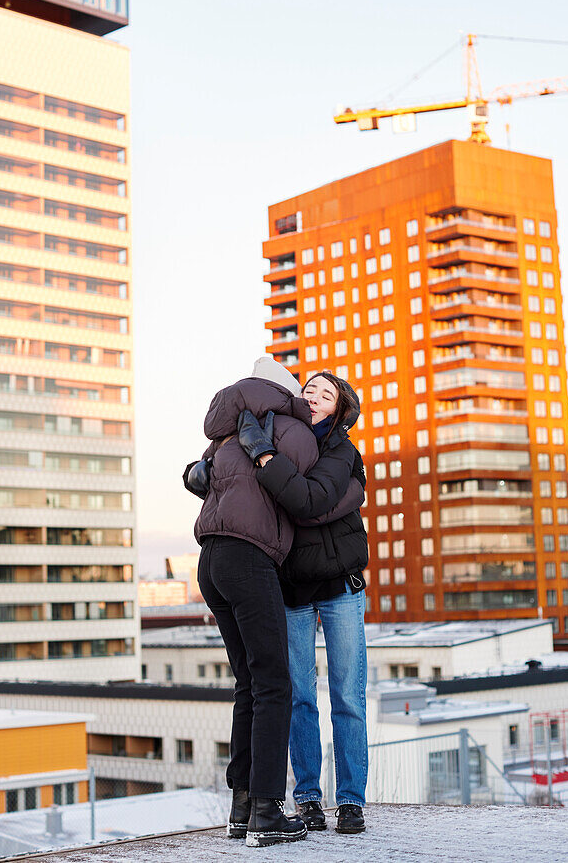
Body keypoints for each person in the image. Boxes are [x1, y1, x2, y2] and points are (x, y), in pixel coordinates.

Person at [183, 356, 317, 847]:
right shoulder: (290, 430)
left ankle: (241, 808)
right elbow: (299, 495)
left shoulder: (222, 434)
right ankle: (267, 813)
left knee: (248, 684)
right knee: (274, 685)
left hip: (210, 562)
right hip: (249, 559)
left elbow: (202, 481)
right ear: (286, 393)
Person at [236, 370, 369, 835]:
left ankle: (351, 802)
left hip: (339, 585)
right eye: (308, 389)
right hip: (291, 584)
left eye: (325, 392)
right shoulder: (284, 437)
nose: (313, 395)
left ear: (340, 407)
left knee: (348, 697)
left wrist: (270, 464)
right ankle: (308, 798)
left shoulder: (340, 448)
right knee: (298, 700)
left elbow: (306, 502)